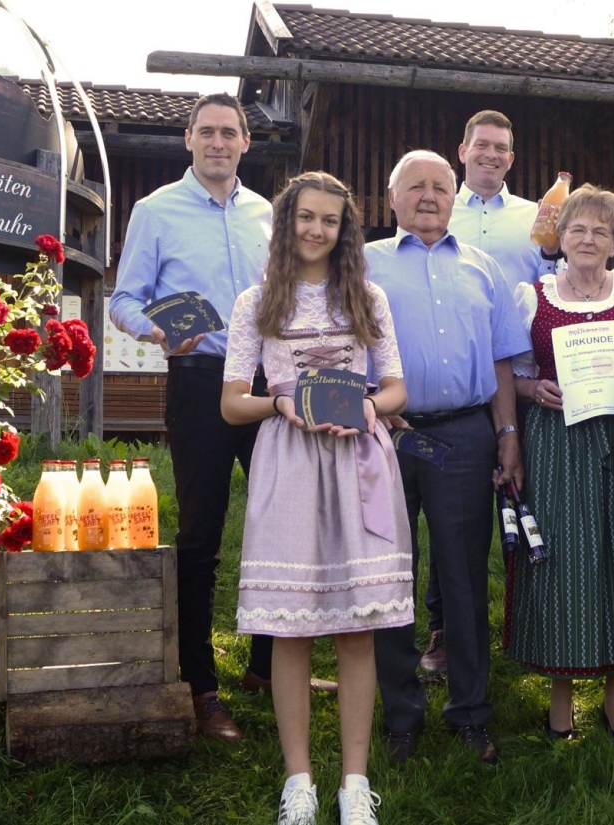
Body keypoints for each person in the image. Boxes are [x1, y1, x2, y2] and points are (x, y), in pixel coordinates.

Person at [221, 172, 412, 825]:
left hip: (357, 458)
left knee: (357, 628)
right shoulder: (257, 302)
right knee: (290, 629)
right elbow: (231, 403)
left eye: (330, 220)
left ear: (344, 229)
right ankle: (298, 779)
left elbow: (395, 389)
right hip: (290, 461)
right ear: (287, 221)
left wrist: (364, 404)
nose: (316, 229)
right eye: (306, 217)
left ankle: (354, 783)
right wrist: (282, 402)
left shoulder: (366, 295)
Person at [110, 92, 286, 743]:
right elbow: (124, 298)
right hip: (199, 378)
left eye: (229, 132)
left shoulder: (267, 213)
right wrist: (157, 329)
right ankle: (202, 685)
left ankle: (269, 666)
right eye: (207, 131)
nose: (218, 142)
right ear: (189, 139)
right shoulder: (156, 211)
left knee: (278, 522)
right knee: (203, 535)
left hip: (267, 383)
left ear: (245, 143)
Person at [367, 150, 528, 765]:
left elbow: (502, 363)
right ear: (392, 199)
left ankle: (470, 713)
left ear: (456, 195)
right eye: (415, 186)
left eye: (440, 185)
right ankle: (401, 715)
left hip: (466, 436)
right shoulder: (363, 265)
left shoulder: (483, 268)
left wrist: (508, 434)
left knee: (462, 577)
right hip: (385, 435)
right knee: (390, 577)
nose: (429, 195)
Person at [505, 184, 614, 741]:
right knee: (563, 561)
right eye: (577, 228)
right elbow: (508, 372)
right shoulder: (531, 295)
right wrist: (534, 391)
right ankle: (561, 697)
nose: (587, 238)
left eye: (600, 231)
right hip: (557, 440)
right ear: (559, 237)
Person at [418, 109, 561, 676]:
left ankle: (533, 627)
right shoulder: (436, 211)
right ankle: (446, 629)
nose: (491, 154)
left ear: (512, 157)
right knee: (452, 515)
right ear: (462, 150)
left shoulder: (535, 220)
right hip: (454, 385)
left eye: (501, 147)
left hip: (521, 382)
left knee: (530, 504)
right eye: (482, 145)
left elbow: (557, 283)